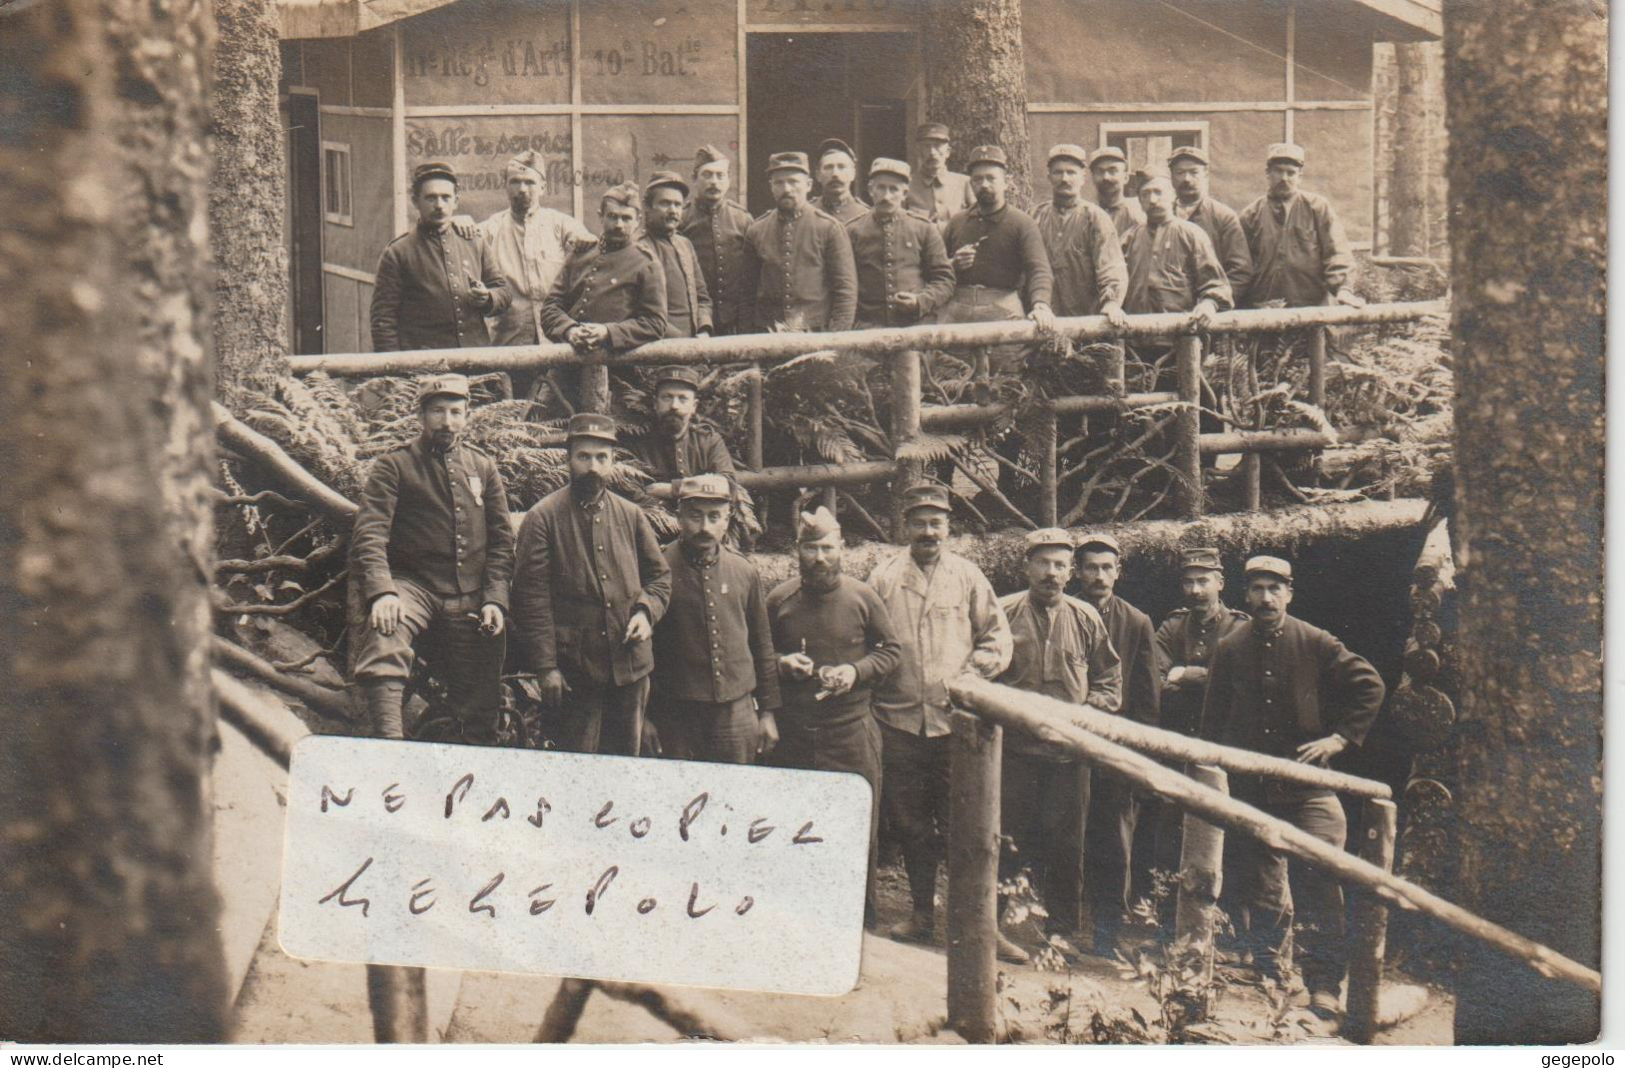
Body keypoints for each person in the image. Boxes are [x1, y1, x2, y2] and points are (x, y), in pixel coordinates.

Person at [1201, 556, 1385, 1020]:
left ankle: (1324, 985)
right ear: (1245, 595)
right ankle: (1269, 975)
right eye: (1258, 589)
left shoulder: (1315, 640)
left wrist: (1339, 738)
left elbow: (1370, 685)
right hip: (1252, 787)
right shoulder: (1230, 646)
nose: (1266, 598)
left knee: (1320, 879)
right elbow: (1213, 715)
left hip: (1307, 788)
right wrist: (1215, 768)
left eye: (1275, 589)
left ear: (1289, 593)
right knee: (1260, 885)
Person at [868, 483, 1013, 947]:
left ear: (949, 526)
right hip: (900, 721)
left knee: (965, 824)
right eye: (919, 522)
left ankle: (973, 922)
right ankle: (920, 914)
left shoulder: (969, 577)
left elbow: (997, 639)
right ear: (905, 526)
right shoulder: (884, 578)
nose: (928, 531)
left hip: (957, 725)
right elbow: (865, 640)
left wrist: (970, 677)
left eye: (936, 522)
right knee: (911, 824)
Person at [347, 374, 514, 742]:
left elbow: (502, 542)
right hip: (413, 586)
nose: (447, 421)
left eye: (456, 412)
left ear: (467, 416)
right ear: (421, 415)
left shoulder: (483, 467)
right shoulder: (395, 465)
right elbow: (370, 533)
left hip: (469, 594)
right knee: (386, 631)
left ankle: (476, 753)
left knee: (485, 674)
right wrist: (382, 592)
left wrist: (495, 600)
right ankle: (391, 745)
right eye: (437, 411)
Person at [767, 506, 903, 925]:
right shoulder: (779, 600)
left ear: (841, 548)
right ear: (798, 550)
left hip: (851, 733)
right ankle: (795, 916)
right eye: (811, 548)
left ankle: (859, 920)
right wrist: (781, 663)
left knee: (856, 826)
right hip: (794, 735)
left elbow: (892, 652)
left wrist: (855, 671)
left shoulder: (863, 597)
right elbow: (755, 657)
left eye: (828, 547)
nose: (820, 557)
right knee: (794, 826)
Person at [509, 413, 672, 756]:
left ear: (613, 462)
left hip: (630, 666)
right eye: (584, 457)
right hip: (574, 672)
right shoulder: (543, 518)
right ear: (568, 459)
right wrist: (546, 667)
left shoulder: (631, 515)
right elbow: (530, 599)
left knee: (626, 762)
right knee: (576, 764)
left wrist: (645, 613)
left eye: (602, 458)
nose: (593, 467)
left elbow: (659, 577)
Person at [997, 528, 1123, 962]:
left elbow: (1109, 679)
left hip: (1068, 757)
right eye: (1043, 563)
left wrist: (1089, 713)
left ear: (1071, 572)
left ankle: (1061, 933)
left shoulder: (1086, 617)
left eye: (1060, 565)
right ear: (1026, 566)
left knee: (1066, 845)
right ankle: (989, 927)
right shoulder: (1002, 613)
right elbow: (979, 674)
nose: (1051, 573)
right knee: (1004, 840)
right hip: (1013, 753)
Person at [1141, 547, 1250, 910]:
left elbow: (1238, 685)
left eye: (1203, 581)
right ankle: (1167, 916)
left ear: (1220, 582)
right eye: (1188, 582)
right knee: (1170, 830)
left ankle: (1228, 921)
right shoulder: (1173, 626)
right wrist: (1196, 679)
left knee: (1228, 831)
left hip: (1224, 749)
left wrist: (1184, 674)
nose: (1195, 590)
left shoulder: (1239, 626)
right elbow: (1152, 678)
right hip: (1178, 747)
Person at [649, 475, 781, 764]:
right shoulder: (657, 570)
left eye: (714, 517)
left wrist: (768, 712)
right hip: (676, 715)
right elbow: (642, 649)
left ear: (727, 519)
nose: (705, 527)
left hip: (736, 714)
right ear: (679, 516)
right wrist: (646, 716)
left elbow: (762, 644)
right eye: (695, 516)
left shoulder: (744, 571)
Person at [1074, 532, 1161, 956]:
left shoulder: (1137, 622)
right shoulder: (1065, 611)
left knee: (1113, 839)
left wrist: (1136, 753)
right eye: (1091, 568)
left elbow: (1146, 696)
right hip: (1069, 744)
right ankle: (1063, 925)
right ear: (1079, 572)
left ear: (1119, 572)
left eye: (1107, 568)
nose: (1099, 576)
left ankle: (1107, 931)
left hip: (1116, 747)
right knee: (1068, 833)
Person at [540, 182, 667, 408]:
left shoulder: (646, 263)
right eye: (612, 216)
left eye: (626, 218)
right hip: (566, 369)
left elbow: (655, 323)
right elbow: (550, 307)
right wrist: (569, 330)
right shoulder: (580, 254)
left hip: (619, 377)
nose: (619, 224)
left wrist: (607, 332)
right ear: (601, 216)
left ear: (638, 220)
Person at [940, 145, 1057, 385]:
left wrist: (1041, 304)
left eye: (991, 178)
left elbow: (1039, 269)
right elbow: (936, 270)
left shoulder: (1021, 223)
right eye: (978, 179)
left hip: (1002, 308)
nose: (984, 185)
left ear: (1007, 182)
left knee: (1007, 383)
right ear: (970, 184)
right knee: (954, 382)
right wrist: (952, 265)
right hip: (959, 310)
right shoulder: (957, 222)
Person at [371, 162, 511, 352]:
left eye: (446, 198)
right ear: (415, 202)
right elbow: (383, 320)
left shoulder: (473, 241)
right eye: (430, 198)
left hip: (476, 358)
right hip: (425, 365)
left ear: (456, 201)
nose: (439, 205)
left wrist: (488, 298)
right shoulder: (398, 253)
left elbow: (502, 291)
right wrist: (396, 371)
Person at [475, 150, 596, 350]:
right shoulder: (489, 229)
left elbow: (594, 253)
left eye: (530, 182)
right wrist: (459, 220)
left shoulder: (561, 225)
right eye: (515, 182)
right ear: (505, 186)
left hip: (560, 342)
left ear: (543, 187)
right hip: (508, 342)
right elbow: (457, 239)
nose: (522, 189)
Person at [739, 151, 858, 333]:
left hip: (816, 335)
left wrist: (835, 341)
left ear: (808, 185)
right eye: (779, 182)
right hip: (768, 334)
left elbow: (846, 293)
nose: (787, 189)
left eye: (794, 182)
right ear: (771, 186)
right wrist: (749, 345)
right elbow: (747, 294)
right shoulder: (756, 230)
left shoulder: (829, 228)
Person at [1238, 143, 1360, 309]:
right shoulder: (1250, 214)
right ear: (1268, 173)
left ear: (1299, 176)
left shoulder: (1317, 207)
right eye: (1278, 171)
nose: (1284, 178)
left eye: (1291, 173)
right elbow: (1240, 264)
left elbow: (1337, 251)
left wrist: (1343, 288)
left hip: (1311, 305)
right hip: (1263, 306)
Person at [845, 158, 956, 328]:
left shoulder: (923, 228)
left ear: (904, 194)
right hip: (866, 327)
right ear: (870, 190)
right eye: (881, 188)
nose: (886, 196)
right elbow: (843, 283)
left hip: (913, 327)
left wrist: (920, 301)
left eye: (894, 189)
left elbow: (944, 280)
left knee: (909, 356)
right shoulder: (852, 230)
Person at [1032, 143, 1128, 324]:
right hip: (1045, 319)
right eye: (1058, 172)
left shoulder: (1095, 217)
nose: (1064, 179)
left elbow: (1111, 266)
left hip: (1088, 320)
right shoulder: (1036, 216)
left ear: (1083, 177)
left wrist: (1112, 302)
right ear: (1049, 177)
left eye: (1071, 172)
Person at [1121, 176, 1233, 324]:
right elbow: (1115, 281)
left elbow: (1215, 283)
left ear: (1173, 195)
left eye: (1158, 192)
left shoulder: (1191, 234)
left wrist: (1209, 304)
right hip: (1135, 334)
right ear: (1140, 201)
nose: (1152, 200)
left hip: (1181, 332)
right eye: (1145, 194)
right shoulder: (1129, 238)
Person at [680, 144, 756, 336]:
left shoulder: (743, 219)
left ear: (729, 180)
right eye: (707, 175)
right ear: (694, 179)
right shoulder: (682, 219)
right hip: (694, 321)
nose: (714, 181)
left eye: (720, 175)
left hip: (735, 321)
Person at [631, 365, 739, 484]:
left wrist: (675, 489)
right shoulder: (638, 444)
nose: (674, 406)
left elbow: (728, 483)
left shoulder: (708, 441)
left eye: (682, 398)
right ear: (655, 403)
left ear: (694, 406)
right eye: (667, 397)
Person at [1168, 146, 1253, 297]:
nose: (1187, 179)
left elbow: (1240, 272)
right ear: (1172, 177)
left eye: (1194, 172)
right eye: (1180, 173)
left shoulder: (1223, 217)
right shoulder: (1165, 216)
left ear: (1205, 175)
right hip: (1170, 309)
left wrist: (1216, 303)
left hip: (1210, 310)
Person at [640, 171, 714, 339]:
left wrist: (704, 328)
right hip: (658, 347)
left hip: (695, 345)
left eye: (677, 205)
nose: (673, 210)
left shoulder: (685, 244)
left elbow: (702, 297)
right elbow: (635, 310)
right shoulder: (638, 247)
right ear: (647, 207)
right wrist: (679, 340)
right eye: (665, 203)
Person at [906, 122, 974, 225]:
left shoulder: (964, 183)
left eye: (937, 146)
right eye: (927, 146)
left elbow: (977, 222)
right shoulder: (907, 185)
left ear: (947, 152)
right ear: (918, 151)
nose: (932, 152)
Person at [1089, 146, 1144, 238]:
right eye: (1099, 171)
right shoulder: (1087, 214)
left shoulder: (1138, 213)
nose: (1106, 177)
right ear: (1093, 178)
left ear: (1126, 177)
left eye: (1112, 171)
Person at [815, 137, 871, 224]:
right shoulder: (808, 213)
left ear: (853, 173)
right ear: (818, 175)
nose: (835, 174)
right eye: (828, 167)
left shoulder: (866, 216)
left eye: (841, 167)